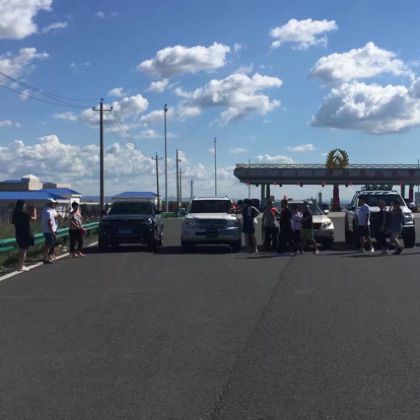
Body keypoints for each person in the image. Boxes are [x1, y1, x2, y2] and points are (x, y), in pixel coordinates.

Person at [11, 200, 36, 271]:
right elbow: (34, 219)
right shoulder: (23, 214)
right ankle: (21, 266)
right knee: (23, 251)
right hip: (25, 234)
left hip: (18, 234)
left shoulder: (15, 214)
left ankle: (21, 265)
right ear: (22, 206)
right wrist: (34, 211)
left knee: (21, 250)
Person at [41, 198, 58, 264]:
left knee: (49, 244)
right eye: (53, 203)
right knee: (49, 245)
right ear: (50, 204)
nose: (54, 204)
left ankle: (46, 257)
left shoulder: (48, 210)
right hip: (49, 231)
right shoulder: (48, 211)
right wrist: (52, 232)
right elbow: (49, 223)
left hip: (49, 230)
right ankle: (45, 258)